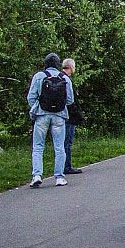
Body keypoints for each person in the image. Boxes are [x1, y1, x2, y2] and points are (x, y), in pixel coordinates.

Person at [27, 53, 74, 187]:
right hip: (59, 115)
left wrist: (38, 107)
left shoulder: (39, 76)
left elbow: (31, 97)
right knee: (59, 147)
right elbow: (70, 100)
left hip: (42, 115)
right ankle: (59, 177)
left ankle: (37, 175)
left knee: (38, 146)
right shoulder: (64, 78)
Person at [62, 58, 83, 174]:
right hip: (69, 115)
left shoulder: (58, 77)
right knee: (67, 142)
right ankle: (67, 166)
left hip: (58, 114)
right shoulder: (67, 80)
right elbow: (70, 100)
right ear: (71, 67)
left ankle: (60, 166)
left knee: (61, 142)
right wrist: (77, 113)